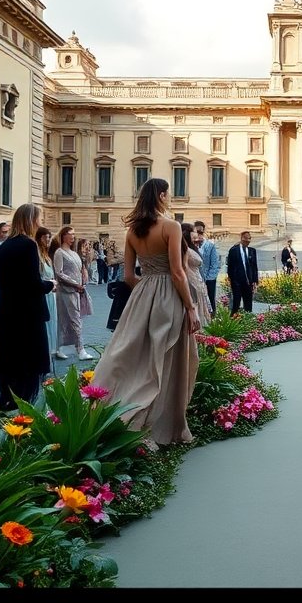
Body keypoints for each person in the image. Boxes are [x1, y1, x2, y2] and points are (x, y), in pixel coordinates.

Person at [92, 177, 199, 447]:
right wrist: (191, 306)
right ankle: (164, 424)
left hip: (142, 296)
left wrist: (148, 290)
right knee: (167, 361)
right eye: (168, 194)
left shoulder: (132, 231)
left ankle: (118, 409)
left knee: (138, 357)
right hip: (169, 297)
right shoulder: (171, 226)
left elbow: (128, 276)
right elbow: (177, 272)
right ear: (162, 196)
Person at [0, 204, 55, 412]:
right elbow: (32, 283)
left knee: (10, 355)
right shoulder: (28, 245)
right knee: (29, 358)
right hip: (28, 312)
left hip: (8, 309)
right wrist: (50, 285)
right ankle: (23, 402)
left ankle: (7, 398)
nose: (40, 223)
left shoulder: (3, 246)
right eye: (38, 219)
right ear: (30, 220)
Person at [52, 226, 94, 361]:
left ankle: (59, 347)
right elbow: (59, 272)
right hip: (66, 290)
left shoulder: (74, 253)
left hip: (77, 290)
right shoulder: (59, 252)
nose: (73, 237)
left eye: (74, 234)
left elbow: (79, 268)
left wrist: (82, 279)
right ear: (63, 235)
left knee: (69, 318)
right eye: (70, 234)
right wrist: (75, 283)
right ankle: (80, 349)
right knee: (72, 319)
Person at [35, 227, 64, 363]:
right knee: (46, 326)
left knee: (53, 323)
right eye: (47, 237)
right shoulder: (37, 255)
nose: (48, 240)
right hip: (44, 294)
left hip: (50, 294)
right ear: (41, 238)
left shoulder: (46, 255)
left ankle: (51, 351)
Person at [181, 222, 212, 328]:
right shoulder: (185, 249)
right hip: (191, 282)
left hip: (198, 281)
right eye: (194, 231)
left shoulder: (192, 247)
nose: (197, 234)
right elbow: (183, 267)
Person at [226, 230, 259, 314]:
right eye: (246, 238)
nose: (248, 241)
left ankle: (248, 319)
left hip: (249, 282)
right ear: (242, 238)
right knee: (236, 302)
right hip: (237, 282)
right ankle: (234, 320)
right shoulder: (234, 250)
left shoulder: (252, 251)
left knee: (248, 302)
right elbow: (230, 267)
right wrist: (232, 280)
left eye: (250, 238)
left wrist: (255, 281)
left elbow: (254, 267)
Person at [194, 220, 220, 314]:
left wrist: (208, 279)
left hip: (209, 279)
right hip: (195, 278)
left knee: (210, 300)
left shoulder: (210, 245)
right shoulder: (191, 246)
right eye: (196, 232)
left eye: (200, 232)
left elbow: (215, 264)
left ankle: (212, 320)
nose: (198, 235)